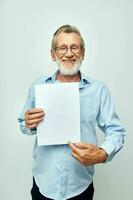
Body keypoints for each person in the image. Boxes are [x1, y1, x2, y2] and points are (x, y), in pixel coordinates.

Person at [18, 25, 126, 200]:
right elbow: (23, 124)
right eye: (62, 48)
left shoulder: (98, 90)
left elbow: (116, 131)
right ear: (53, 54)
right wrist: (29, 123)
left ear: (83, 53)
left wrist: (103, 153)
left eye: (74, 47)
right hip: (43, 183)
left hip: (80, 186)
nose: (69, 53)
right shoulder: (38, 86)